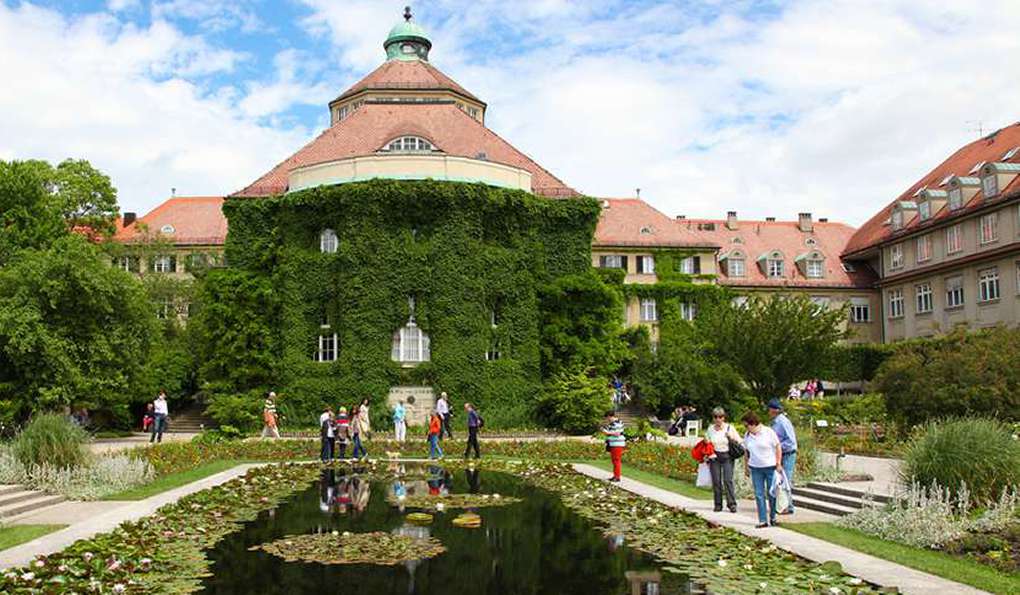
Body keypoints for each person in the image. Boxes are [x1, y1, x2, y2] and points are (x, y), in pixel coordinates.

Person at [742, 411, 783, 528]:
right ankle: (762, 520)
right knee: (759, 494)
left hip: (770, 466)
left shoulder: (768, 432)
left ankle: (773, 517)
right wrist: (746, 467)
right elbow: (746, 451)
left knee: (772, 493)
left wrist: (778, 463)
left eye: (747, 425)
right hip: (755, 468)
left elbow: (778, 446)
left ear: (753, 424)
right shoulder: (747, 435)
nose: (746, 428)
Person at [705, 407, 742, 513]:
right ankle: (718, 504)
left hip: (727, 456)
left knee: (727, 480)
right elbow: (707, 441)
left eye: (720, 417)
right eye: (715, 417)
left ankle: (732, 504)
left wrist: (730, 438)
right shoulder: (710, 429)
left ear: (724, 418)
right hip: (715, 456)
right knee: (716, 481)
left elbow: (739, 441)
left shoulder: (729, 428)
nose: (718, 419)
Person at [767, 398, 798, 515]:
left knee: (785, 480)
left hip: (788, 454)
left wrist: (778, 446)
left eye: (769, 409)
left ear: (774, 410)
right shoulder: (775, 422)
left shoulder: (782, 422)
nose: (768, 412)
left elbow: (791, 441)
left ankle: (788, 507)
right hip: (780, 454)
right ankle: (784, 505)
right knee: (780, 480)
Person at [602, 412, 626, 482]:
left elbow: (617, 433)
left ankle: (617, 477)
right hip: (614, 444)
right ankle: (615, 476)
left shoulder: (617, 423)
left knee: (616, 460)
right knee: (614, 460)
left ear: (610, 416)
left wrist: (607, 432)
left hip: (617, 444)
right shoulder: (613, 423)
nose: (607, 420)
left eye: (607, 418)